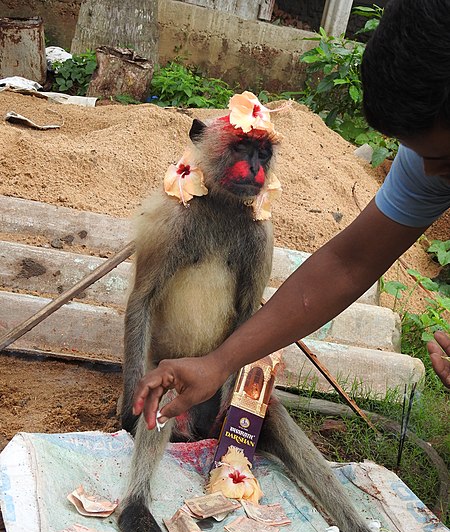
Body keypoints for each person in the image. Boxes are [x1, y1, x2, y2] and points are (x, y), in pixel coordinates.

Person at [133, 0, 450, 429]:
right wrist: (218, 364)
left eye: (443, 158)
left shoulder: (255, 231)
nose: (432, 172)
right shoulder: (429, 160)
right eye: (420, 154)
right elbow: (347, 264)